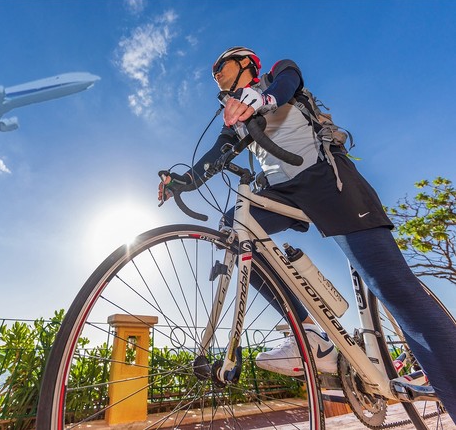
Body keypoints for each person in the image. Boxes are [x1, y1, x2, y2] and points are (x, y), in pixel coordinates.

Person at [158, 46, 456, 418]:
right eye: (213, 71)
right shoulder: (236, 114)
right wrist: (183, 181)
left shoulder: (276, 79)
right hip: (283, 191)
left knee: (392, 287)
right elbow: (219, 152)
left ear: (248, 64)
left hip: (327, 180)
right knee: (235, 228)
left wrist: (261, 98)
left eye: (221, 65)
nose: (214, 73)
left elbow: (289, 80)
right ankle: (310, 334)